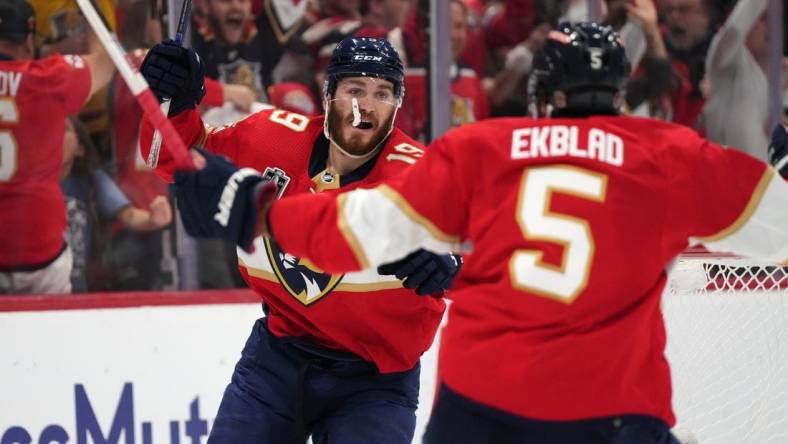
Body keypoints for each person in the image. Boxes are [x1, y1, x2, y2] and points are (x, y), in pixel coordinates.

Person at [171, 22, 788, 443]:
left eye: (380, 93)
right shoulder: (669, 153)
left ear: (540, 95)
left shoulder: (485, 149)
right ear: (622, 94)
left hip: (486, 406)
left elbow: (360, 229)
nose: (365, 106)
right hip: (619, 409)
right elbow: (777, 232)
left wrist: (257, 210)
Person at [138, 36, 461, 443]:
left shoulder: (423, 176)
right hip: (277, 361)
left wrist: (453, 266)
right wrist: (172, 103)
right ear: (327, 96)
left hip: (376, 383)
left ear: (397, 105)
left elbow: (490, 250)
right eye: (355, 90)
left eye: (383, 93)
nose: (367, 105)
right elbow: (174, 156)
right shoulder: (268, 138)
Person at [0, 0, 114, 294]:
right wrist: (92, 11)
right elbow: (105, 60)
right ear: (28, 40)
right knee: (51, 336)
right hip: (39, 247)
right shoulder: (50, 77)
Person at [60, 116, 172, 292]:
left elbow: (130, 215)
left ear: (80, 149)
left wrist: (152, 220)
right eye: (51, 129)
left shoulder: (92, 181)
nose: (55, 135)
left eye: (64, 129)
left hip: (76, 287)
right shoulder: (28, 182)